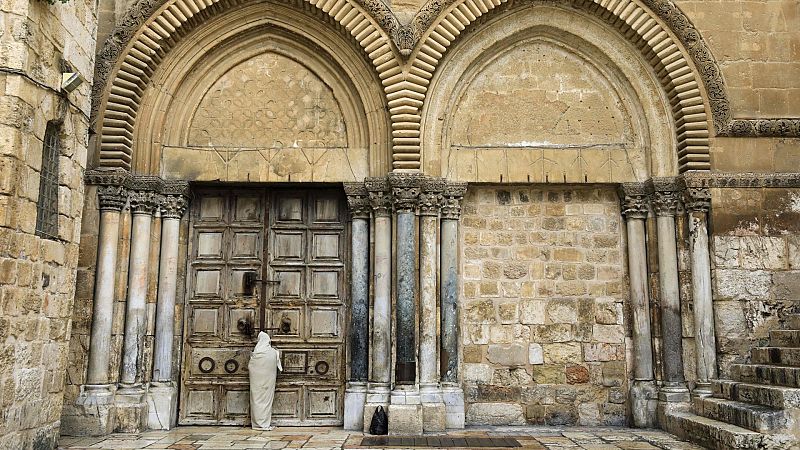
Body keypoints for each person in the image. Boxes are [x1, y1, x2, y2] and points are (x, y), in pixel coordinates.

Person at [249, 331, 282, 430]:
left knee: (256, 400)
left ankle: (257, 424)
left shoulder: (255, 353)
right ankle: (264, 423)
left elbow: (251, 366)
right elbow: (278, 367)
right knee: (266, 401)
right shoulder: (273, 352)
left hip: (256, 382)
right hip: (268, 382)